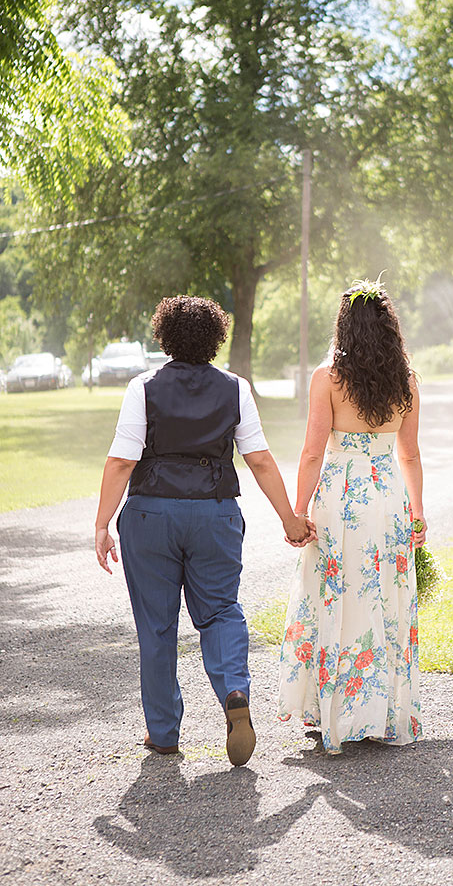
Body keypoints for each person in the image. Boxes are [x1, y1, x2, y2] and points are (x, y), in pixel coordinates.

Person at [94, 295, 313, 766]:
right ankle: (234, 689)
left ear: (164, 336)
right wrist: (290, 520)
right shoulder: (236, 388)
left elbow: (121, 461)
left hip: (150, 516)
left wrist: (102, 523)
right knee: (220, 611)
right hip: (214, 515)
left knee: (157, 627)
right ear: (217, 337)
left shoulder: (143, 387)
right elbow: (257, 458)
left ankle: (164, 733)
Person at [277, 277, 426, 754]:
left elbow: (311, 454)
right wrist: (418, 513)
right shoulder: (405, 380)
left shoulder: (328, 379)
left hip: (341, 499)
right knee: (382, 599)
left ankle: (332, 711)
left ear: (344, 325)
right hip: (388, 502)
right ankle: (380, 713)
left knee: (336, 598)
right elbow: (410, 454)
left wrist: (298, 512)